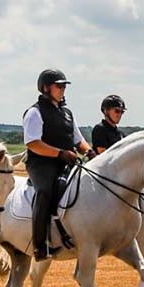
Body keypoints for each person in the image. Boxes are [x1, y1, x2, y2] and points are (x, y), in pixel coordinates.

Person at [22, 69, 89, 259]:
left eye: (64, 86)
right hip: (42, 164)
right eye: (59, 86)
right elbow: (33, 143)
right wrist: (59, 153)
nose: (62, 90)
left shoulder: (67, 113)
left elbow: (78, 140)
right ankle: (39, 245)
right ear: (45, 88)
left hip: (66, 161)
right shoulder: (35, 112)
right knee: (45, 191)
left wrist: (90, 152)